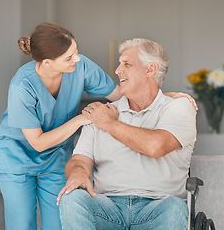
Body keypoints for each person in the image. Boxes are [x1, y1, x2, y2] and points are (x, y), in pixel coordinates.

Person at [0, 23, 196, 230]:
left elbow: (122, 93)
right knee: (21, 222)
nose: (77, 59)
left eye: (76, 52)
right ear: (47, 62)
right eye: (68, 57)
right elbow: (37, 143)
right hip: (19, 156)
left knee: (56, 223)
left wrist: (165, 96)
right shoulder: (22, 85)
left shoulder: (80, 68)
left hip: (55, 154)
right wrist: (83, 119)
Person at [57, 38, 197, 230]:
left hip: (158, 207)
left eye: (127, 64)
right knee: (72, 198)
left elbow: (155, 146)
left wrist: (109, 124)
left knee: (175, 208)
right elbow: (79, 160)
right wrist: (78, 173)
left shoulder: (179, 107)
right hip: (108, 207)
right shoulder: (101, 113)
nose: (117, 70)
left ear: (150, 70)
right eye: (119, 63)